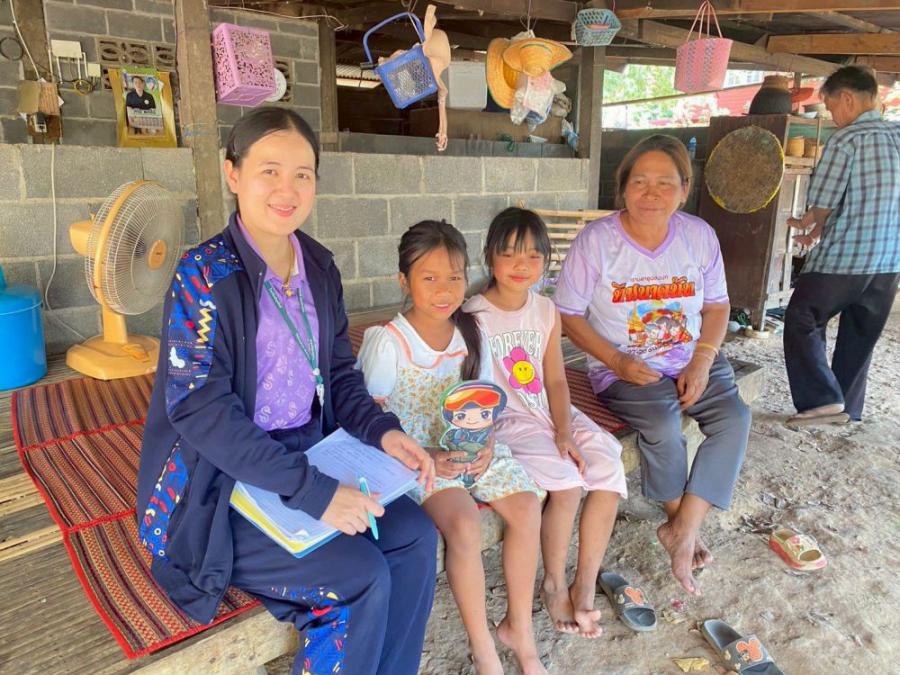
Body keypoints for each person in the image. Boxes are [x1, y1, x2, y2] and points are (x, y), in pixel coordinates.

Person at [136, 107, 438, 675]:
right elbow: (200, 409)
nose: (287, 189)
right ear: (233, 173)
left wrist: (383, 432)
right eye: (269, 171)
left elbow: (340, 375)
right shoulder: (203, 276)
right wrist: (315, 492)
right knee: (357, 579)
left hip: (308, 453)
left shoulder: (319, 267)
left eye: (302, 174)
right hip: (220, 479)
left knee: (415, 536)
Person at [553, 136, 751, 596]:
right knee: (662, 421)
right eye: (639, 182)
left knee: (735, 418)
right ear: (622, 187)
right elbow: (567, 314)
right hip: (622, 370)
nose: (651, 193)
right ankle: (678, 523)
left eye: (665, 183)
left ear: (684, 189)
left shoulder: (698, 236)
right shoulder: (597, 242)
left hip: (692, 359)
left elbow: (717, 306)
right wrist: (615, 359)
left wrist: (703, 360)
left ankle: (685, 527)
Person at [357, 220, 546, 675]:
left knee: (526, 506)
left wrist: (488, 443)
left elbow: (487, 401)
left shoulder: (471, 330)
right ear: (404, 281)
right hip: (417, 457)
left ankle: (519, 629)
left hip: (472, 447)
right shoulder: (389, 343)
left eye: (455, 277)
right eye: (429, 278)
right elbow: (366, 422)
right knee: (463, 523)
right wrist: (425, 457)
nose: (444, 290)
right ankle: (484, 650)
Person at [464, 207, 627, 638]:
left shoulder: (546, 310)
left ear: (546, 261)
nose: (522, 265)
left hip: (550, 412)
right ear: (489, 255)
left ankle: (584, 584)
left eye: (534, 256)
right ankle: (553, 584)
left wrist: (564, 430)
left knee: (608, 465)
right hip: (508, 420)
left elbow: (554, 378)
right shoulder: (474, 315)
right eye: (510, 254)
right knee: (567, 483)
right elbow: (472, 389)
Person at [784, 65, 900, 427]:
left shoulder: (847, 139)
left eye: (832, 107)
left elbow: (823, 203)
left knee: (802, 316)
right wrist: (817, 226)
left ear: (847, 98)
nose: (833, 117)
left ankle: (821, 401)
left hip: (847, 257)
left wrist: (809, 222)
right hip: (890, 261)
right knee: (860, 333)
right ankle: (847, 407)